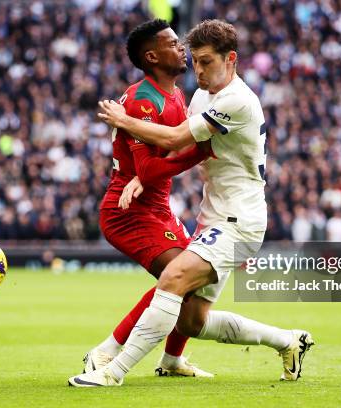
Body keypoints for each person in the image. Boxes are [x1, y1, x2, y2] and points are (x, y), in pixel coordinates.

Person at [69, 19, 314, 387]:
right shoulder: (201, 95)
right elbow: (182, 148)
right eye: (195, 61)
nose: (197, 69)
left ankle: (111, 369)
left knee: (173, 278)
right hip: (213, 216)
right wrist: (141, 175)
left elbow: (175, 138)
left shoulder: (237, 100)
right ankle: (288, 341)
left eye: (206, 62)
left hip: (238, 219)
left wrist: (126, 121)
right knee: (192, 321)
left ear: (230, 59)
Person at [80, 19, 214, 378]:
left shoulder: (173, 93)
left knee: (195, 282)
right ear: (152, 56)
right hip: (128, 213)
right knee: (181, 277)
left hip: (156, 207)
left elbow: (156, 165)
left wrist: (143, 175)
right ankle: (104, 353)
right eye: (172, 43)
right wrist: (201, 152)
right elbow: (154, 167)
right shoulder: (142, 101)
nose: (181, 46)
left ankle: (171, 361)